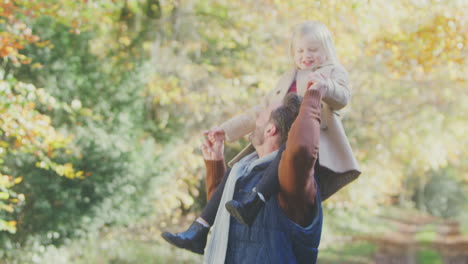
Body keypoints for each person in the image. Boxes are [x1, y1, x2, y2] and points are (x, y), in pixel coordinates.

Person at [161, 20, 361, 254]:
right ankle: (200, 228)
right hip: (277, 146)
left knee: (287, 152)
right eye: (300, 50)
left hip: (305, 145)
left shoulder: (332, 73)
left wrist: (324, 87)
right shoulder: (287, 79)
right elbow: (260, 110)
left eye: (313, 50)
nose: (306, 55)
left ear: (326, 50)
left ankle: (256, 200)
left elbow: (343, 97)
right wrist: (225, 131)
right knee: (238, 169)